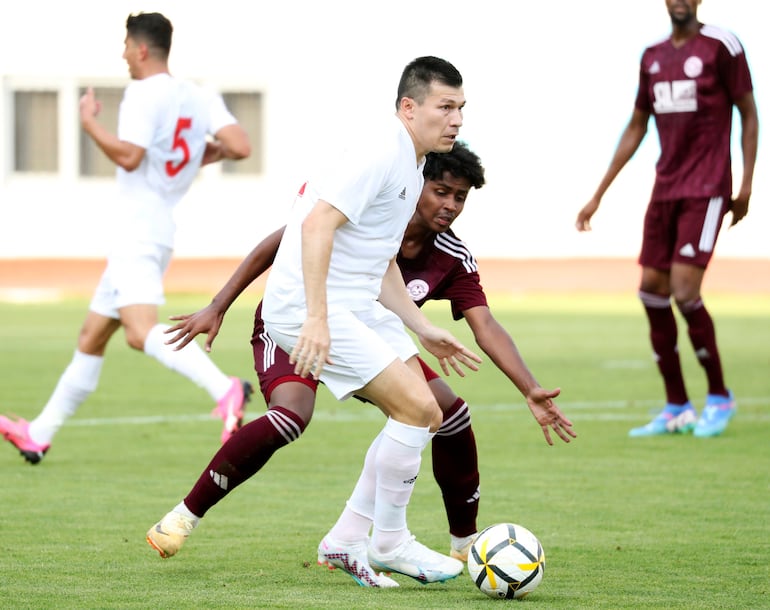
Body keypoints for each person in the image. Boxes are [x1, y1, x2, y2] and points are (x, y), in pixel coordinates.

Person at [146, 142, 576, 586]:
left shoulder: (450, 254)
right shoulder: (374, 205)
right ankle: (182, 517)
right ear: (418, 184)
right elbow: (283, 240)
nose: (450, 205)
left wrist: (529, 387)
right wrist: (219, 304)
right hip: (298, 321)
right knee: (291, 416)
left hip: (363, 335)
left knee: (446, 412)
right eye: (441, 191)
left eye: (460, 197)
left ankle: (461, 544)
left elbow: (484, 325)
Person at [148, 55, 483, 587]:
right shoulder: (380, 152)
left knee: (430, 411)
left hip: (354, 304)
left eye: (461, 108)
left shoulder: (412, 162)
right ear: (408, 107)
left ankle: (350, 539)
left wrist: (420, 327)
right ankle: (387, 542)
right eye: (446, 107)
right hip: (310, 307)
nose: (458, 119)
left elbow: (382, 260)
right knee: (417, 407)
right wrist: (318, 320)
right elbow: (314, 226)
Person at [0, 12, 254, 464]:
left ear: (140, 49)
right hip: (156, 230)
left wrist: (88, 125)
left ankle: (225, 388)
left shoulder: (141, 93)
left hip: (137, 229)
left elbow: (132, 156)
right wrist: (194, 155)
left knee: (139, 332)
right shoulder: (197, 95)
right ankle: (40, 432)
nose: (123, 56)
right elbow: (239, 145)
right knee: (92, 336)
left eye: (125, 47)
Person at [575, 0, 758, 438]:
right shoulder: (652, 56)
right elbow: (637, 124)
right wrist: (598, 194)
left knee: (683, 289)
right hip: (665, 190)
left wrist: (746, 184)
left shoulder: (721, 45)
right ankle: (677, 405)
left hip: (708, 188)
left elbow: (748, 112)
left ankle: (719, 396)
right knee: (651, 292)